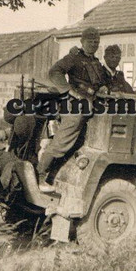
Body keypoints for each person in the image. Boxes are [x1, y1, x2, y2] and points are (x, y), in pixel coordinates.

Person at [37, 26, 108, 183]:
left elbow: (98, 82)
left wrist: (102, 86)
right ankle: (40, 175)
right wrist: (69, 91)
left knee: (80, 143)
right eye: (90, 41)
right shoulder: (74, 57)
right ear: (82, 41)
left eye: (96, 41)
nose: (93, 44)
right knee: (62, 142)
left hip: (91, 104)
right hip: (75, 105)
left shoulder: (95, 61)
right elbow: (55, 72)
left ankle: (56, 177)